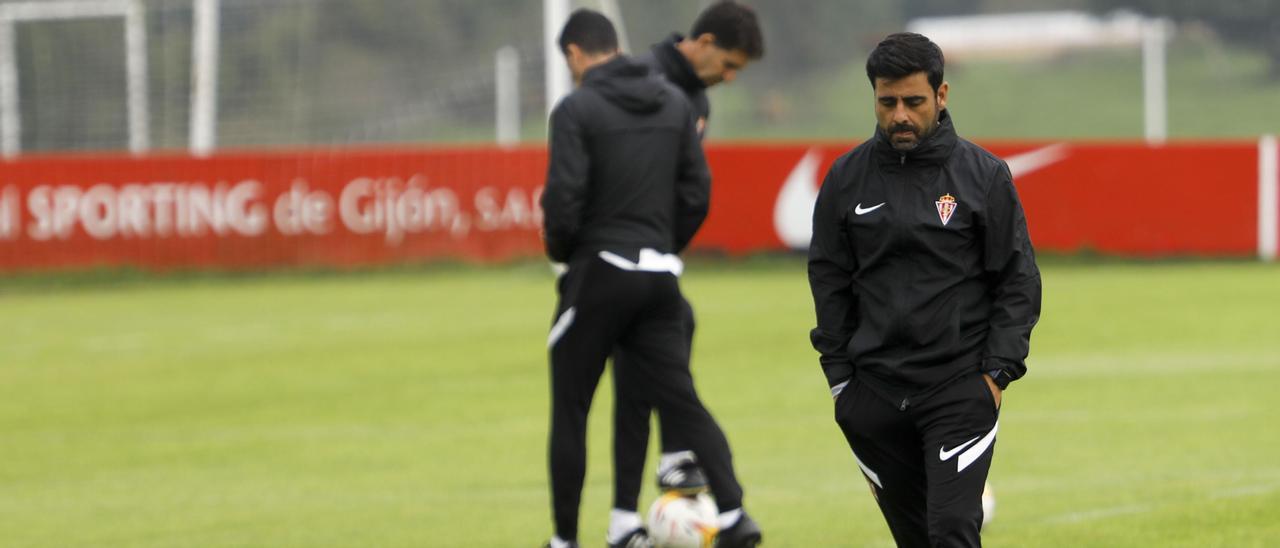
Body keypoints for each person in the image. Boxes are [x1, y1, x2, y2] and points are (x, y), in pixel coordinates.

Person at [807, 32, 1041, 547]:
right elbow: (828, 279)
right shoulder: (846, 179)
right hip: (873, 396)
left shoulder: (983, 176)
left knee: (953, 531)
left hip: (959, 389)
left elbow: (1017, 279)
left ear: (941, 95)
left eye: (913, 102)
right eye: (887, 102)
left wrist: (997, 373)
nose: (900, 116)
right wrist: (842, 382)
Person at [540, 10, 762, 548]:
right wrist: (663, 245)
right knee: (675, 393)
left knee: (573, 404)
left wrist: (571, 257)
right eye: (729, 65)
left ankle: (568, 540)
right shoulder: (671, 101)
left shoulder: (580, 106)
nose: (730, 76)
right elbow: (697, 194)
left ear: (574, 57)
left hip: (602, 266)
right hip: (659, 273)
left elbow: (564, 202)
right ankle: (731, 515)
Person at [605, 2, 764, 546]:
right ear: (706, 41)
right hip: (620, 257)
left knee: (639, 376)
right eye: (731, 63)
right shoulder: (641, 76)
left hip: (655, 258)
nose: (731, 77)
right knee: (658, 359)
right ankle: (682, 474)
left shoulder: (696, 100)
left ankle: (624, 519)